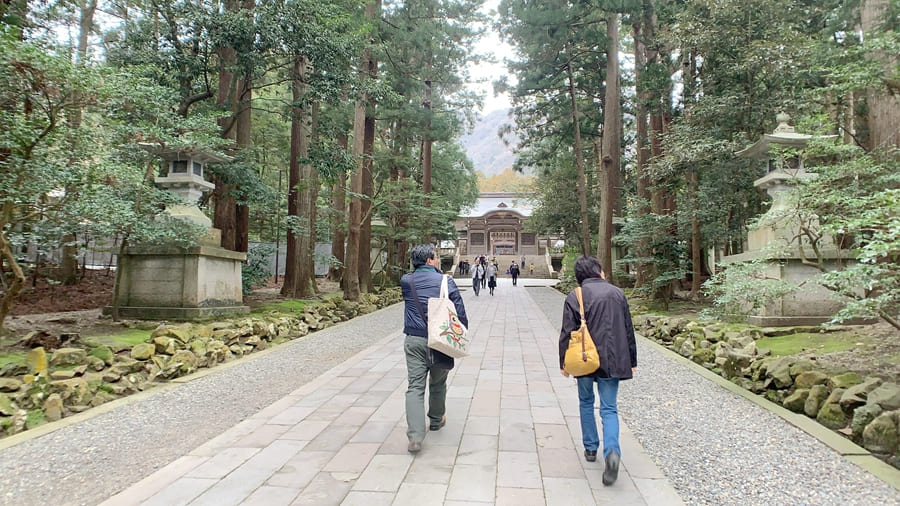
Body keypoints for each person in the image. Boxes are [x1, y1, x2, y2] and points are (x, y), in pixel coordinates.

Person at [558, 256, 636, 486]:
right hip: (613, 357)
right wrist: (631, 358)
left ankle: (590, 447)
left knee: (585, 401)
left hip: (584, 357)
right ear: (598, 271)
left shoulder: (576, 295)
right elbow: (628, 328)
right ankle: (612, 451)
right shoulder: (617, 293)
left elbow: (566, 331)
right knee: (609, 407)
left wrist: (563, 362)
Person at [401, 244, 468, 454]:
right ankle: (436, 419)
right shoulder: (446, 281)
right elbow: (459, 311)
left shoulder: (406, 280)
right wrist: (461, 333)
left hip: (414, 339)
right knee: (438, 382)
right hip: (440, 339)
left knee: (415, 387)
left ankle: (415, 436)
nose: (438, 260)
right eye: (436, 258)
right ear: (430, 260)